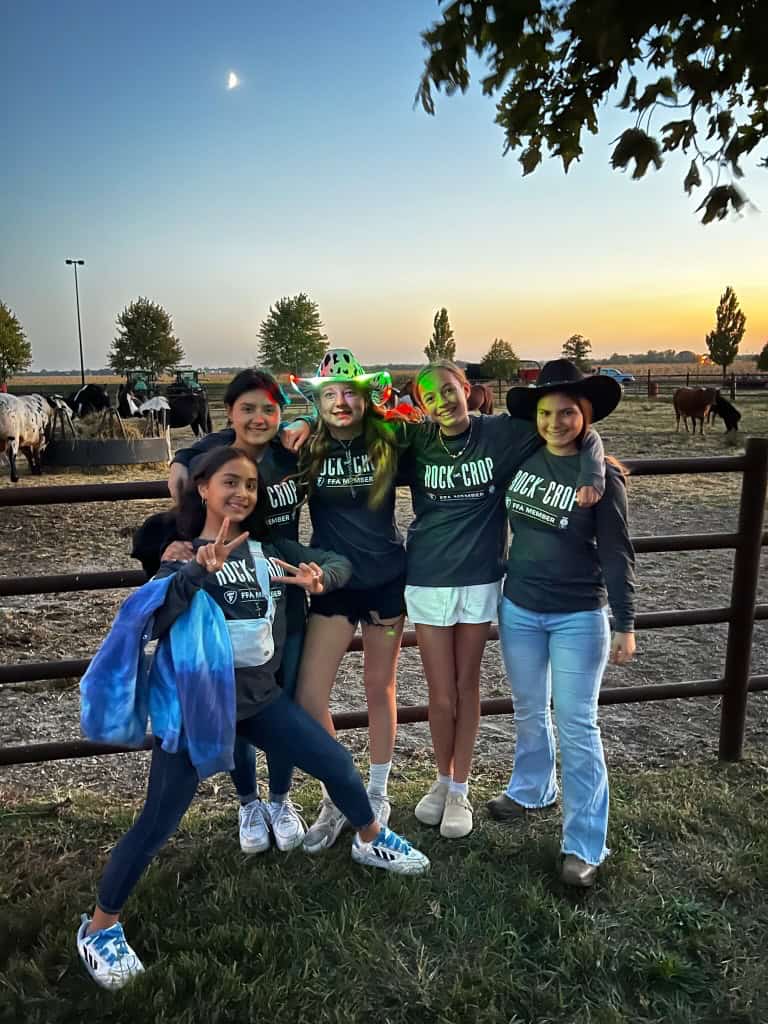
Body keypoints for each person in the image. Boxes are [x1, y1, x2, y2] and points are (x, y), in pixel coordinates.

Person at [77, 446, 430, 991]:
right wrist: (194, 571)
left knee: (336, 762)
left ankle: (369, 837)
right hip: (201, 712)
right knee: (157, 822)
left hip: (261, 703)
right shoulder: (179, 553)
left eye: (249, 485)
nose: (241, 493)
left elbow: (332, 565)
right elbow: (158, 617)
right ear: (202, 488)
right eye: (228, 482)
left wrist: (319, 579)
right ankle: (100, 927)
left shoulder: (264, 551)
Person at [400, 360, 607, 840]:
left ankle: (460, 789)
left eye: (449, 390)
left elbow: (576, 429)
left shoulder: (501, 434)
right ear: (421, 403)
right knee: (439, 691)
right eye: (429, 396)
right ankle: (441, 778)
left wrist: (594, 466)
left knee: (467, 685)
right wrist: (304, 419)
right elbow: (359, 432)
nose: (442, 402)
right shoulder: (416, 441)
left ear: (466, 390)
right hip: (428, 576)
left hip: (480, 577)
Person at [137, 369, 309, 856]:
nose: (259, 418)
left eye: (269, 409)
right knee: (231, 700)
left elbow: (338, 427)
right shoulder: (211, 460)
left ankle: (281, 799)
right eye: (247, 408)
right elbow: (178, 520)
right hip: (225, 592)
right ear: (230, 412)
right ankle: (248, 801)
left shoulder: (291, 454)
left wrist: (310, 423)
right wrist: (185, 457)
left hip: (281, 586)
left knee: (282, 700)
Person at [488, 359, 635, 887]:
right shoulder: (525, 453)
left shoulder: (605, 478)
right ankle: (532, 788)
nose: (555, 422)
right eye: (547, 412)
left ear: (586, 414)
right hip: (520, 607)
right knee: (529, 708)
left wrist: (625, 620)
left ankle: (585, 844)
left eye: (568, 412)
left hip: (578, 615)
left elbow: (618, 553)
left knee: (577, 724)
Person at [289, 350, 410, 851]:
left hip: (385, 582)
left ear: (365, 397)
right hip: (332, 584)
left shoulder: (390, 438)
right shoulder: (303, 446)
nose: (340, 402)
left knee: (378, 687)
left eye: (350, 392)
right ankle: (339, 792)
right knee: (308, 695)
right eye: (329, 394)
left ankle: (378, 793)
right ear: (317, 401)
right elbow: (230, 443)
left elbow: (455, 436)